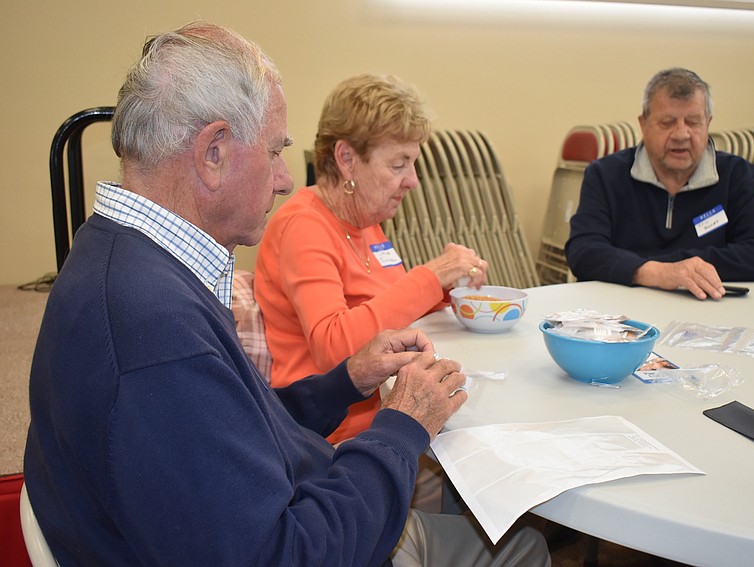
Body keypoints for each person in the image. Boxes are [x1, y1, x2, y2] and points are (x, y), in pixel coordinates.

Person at [23, 22, 549, 566]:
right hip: (313, 530)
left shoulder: (119, 260)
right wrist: (400, 429)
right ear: (213, 153)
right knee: (522, 549)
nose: (282, 178)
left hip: (288, 498)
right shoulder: (156, 333)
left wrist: (343, 381)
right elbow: (285, 554)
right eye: (275, 152)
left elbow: (238, 424)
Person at [255, 74, 489, 443]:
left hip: (387, 409)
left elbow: (387, 310)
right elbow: (334, 347)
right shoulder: (303, 226)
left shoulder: (365, 221)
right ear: (347, 158)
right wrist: (431, 274)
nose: (412, 181)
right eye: (399, 165)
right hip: (334, 433)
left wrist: (449, 286)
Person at [565, 67, 754, 300]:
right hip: (622, 313)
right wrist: (657, 272)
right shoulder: (605, 175)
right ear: (644, 124)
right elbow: (583, 251)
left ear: (708, 123)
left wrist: (681, 270)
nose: (681, 134)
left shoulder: (736, 176)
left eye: (693, 122)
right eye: (667, 122)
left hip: (710, 312)